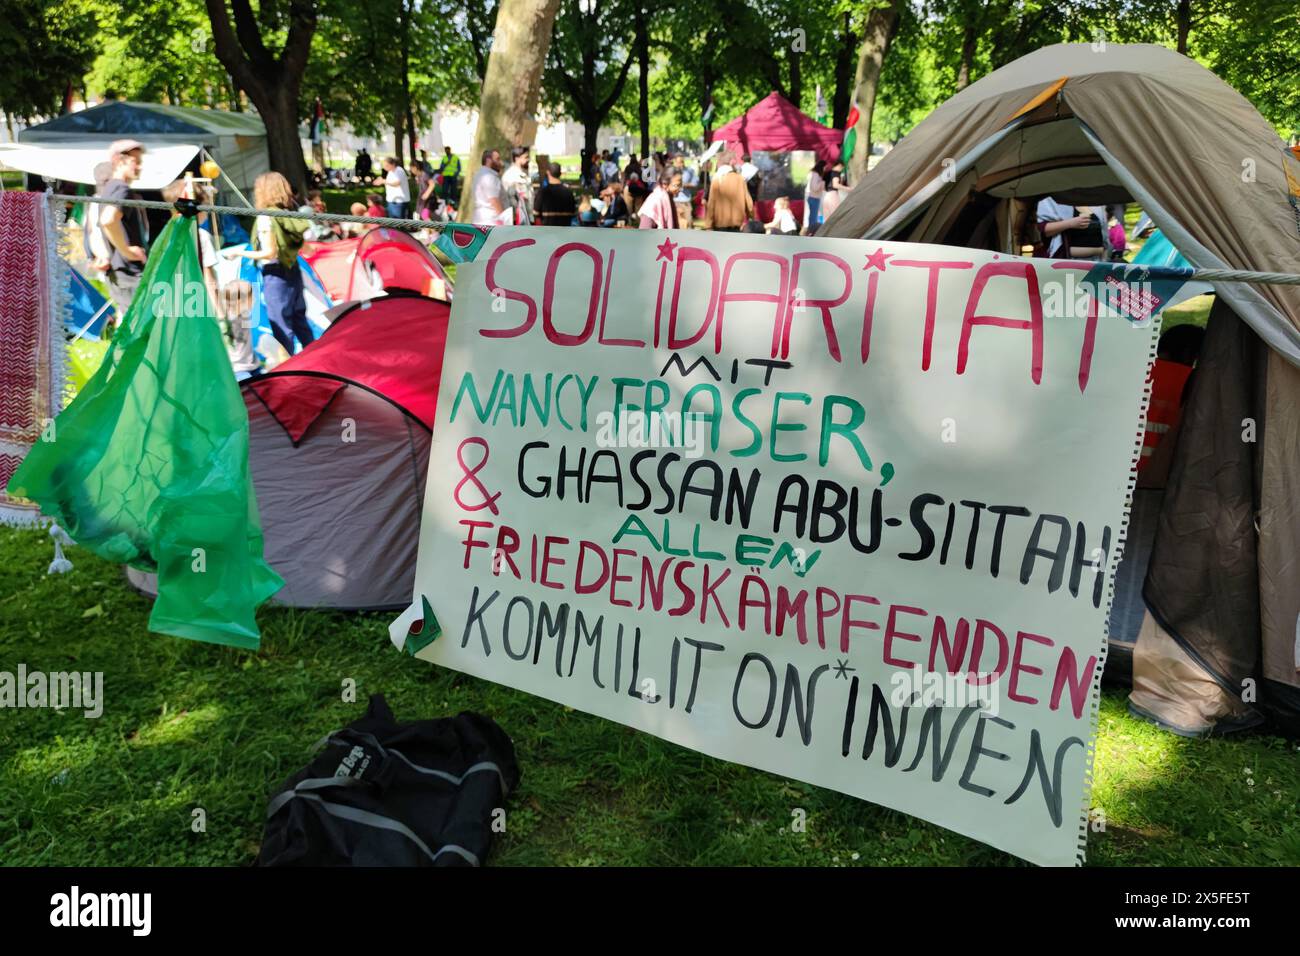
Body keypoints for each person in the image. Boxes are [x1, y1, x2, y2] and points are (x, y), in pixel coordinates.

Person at [231, 172, 314, 356]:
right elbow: (307, 249)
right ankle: (317, 361)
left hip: (276, 276)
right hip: (293, 271)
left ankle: (289, 372)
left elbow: (269, 253)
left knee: (282, 327)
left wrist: (238, 252)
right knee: (300, 322)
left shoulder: (266, 217)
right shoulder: (287, 215)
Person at [99, 140, 150, 319]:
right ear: (120, 161)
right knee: (140, 329)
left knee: (130, 326)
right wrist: (126, 251)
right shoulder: (121, 189)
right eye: (136, 161)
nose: (140, 167)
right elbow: (107, 220)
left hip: (120, 273)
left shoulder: (108, 189)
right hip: (129, 273)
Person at [160, 179, 223, 321]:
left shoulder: (168, 236)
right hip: (199, 304)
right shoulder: (202, 236)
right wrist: (220, 314)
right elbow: (209, 278)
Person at [1037, 198, 1103, 259]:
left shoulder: (1094, 203)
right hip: (1069, 261)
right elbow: (1042, 230)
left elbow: (1104, 236)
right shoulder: (1051, 201)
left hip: (1097, 260)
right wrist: (1070, 223)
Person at [707, 151, 753, 231]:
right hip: (737, 225)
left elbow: (711, 204)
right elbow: (749, 204)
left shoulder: (717, 179)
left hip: (720, 225)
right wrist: (751, 218)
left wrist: (708, 224)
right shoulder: (740, 179)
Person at [471, 147, 506, 226]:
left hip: (480, 219)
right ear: (488, 160)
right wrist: (505, 221)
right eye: (497, 159)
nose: (501, 162)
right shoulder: (489, 177)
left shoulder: (479, 174)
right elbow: (494, 201)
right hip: (492, 221)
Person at [501, 145, 534, 224]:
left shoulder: (522, 173)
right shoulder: (510, 176)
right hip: (517, 220)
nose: (528, 160)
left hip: (527, 217)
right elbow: (511, 200)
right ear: (517, 158)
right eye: (525, 157)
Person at [803, 159, 826, 232]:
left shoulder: (814, 174)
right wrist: (822, 183)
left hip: (813, 197)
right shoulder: (815, 174)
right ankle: (812, 232)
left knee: (812, 216)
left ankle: (810, 231)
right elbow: (814, 187)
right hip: (814, 198)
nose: (825, 169)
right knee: (813, 217)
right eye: (825, 167)